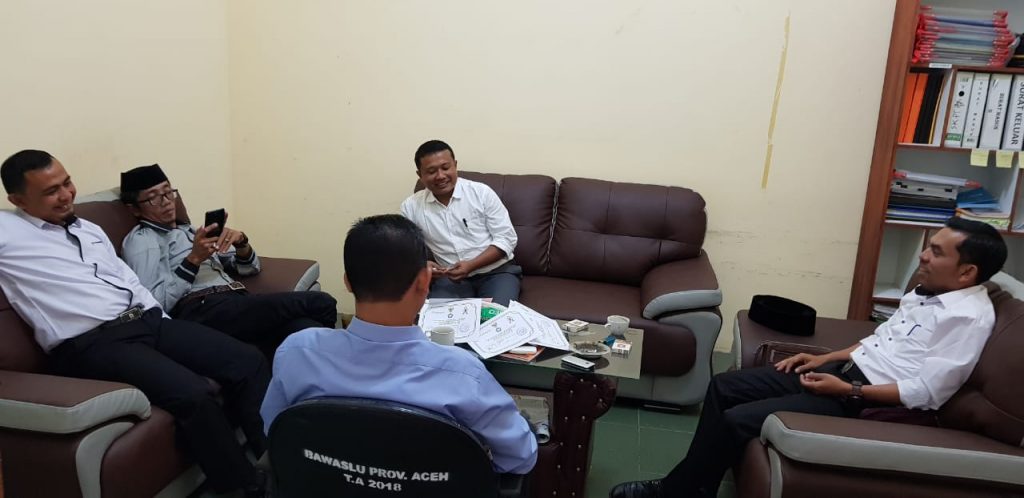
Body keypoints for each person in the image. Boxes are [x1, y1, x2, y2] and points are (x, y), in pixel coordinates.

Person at [610, 216, 1007, 498]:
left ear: (966, 272)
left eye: (936, 252)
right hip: (843, 374)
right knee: (724, 386)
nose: (923, 256)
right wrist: (824, 358)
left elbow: (926, 393)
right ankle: (693, 488)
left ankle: (675, 491)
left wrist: (847, 389)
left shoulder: (968, 318)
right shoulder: (927, 292)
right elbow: (880, 340)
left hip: (865, 400)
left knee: (737, 419)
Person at [0, 150, 270, 497]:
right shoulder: (10, 232)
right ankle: (244, 488)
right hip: (92, 343)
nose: (66, 195)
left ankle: (275, 459)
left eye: (67, 183)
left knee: (247, 360)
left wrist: (161, 319)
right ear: (18, 201)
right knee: (194, 394)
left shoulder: (89, 229)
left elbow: (127, 279)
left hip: (147, 320)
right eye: (52, 191)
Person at [260, 214, 537, 474]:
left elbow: (276, 430)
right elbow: (520, 457)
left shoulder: (297, 352)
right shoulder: (464, 374)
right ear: (424, 281)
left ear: (348, 282)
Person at [118, 164, 337, 350]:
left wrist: (241, 243)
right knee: (321, 302)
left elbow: (250, 268)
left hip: (235, 302)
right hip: (203, 308)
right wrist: (193, 260)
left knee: (304, 328)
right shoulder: (143, 240)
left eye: (168, 192)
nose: (166, 201)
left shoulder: (190, 232)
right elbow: (154, 302)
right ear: (135, 209)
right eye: (153, 198)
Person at [400, 140, 522, 306]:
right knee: (439, 318)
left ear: (455, 165)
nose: (440, 176)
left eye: (445, 168)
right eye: (431, 171)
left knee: (495, 317)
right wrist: (422, 265)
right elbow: (406, 250)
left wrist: (471, 265)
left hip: (497, 272)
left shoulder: (481, 193)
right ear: (419, 174)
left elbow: (506, 238)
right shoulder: (411, 207)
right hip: (450, 278)